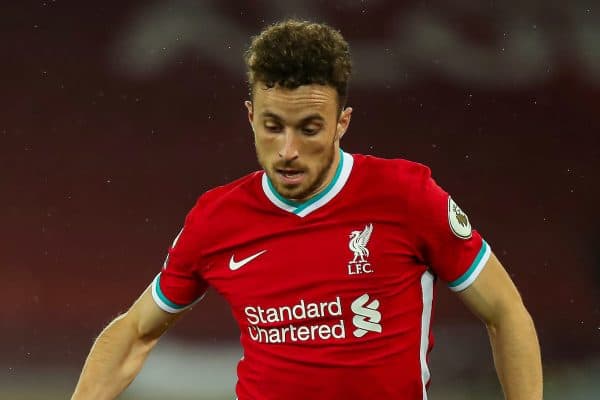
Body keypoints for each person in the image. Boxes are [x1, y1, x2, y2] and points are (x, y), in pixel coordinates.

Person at [71, 19, 542, 400]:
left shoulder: (405, 196)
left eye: (309, 128)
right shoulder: (216, 219)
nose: (288, 150)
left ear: (343, 122)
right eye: (273, 126)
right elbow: (135, 332)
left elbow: (505, 311)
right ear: (251, 115)